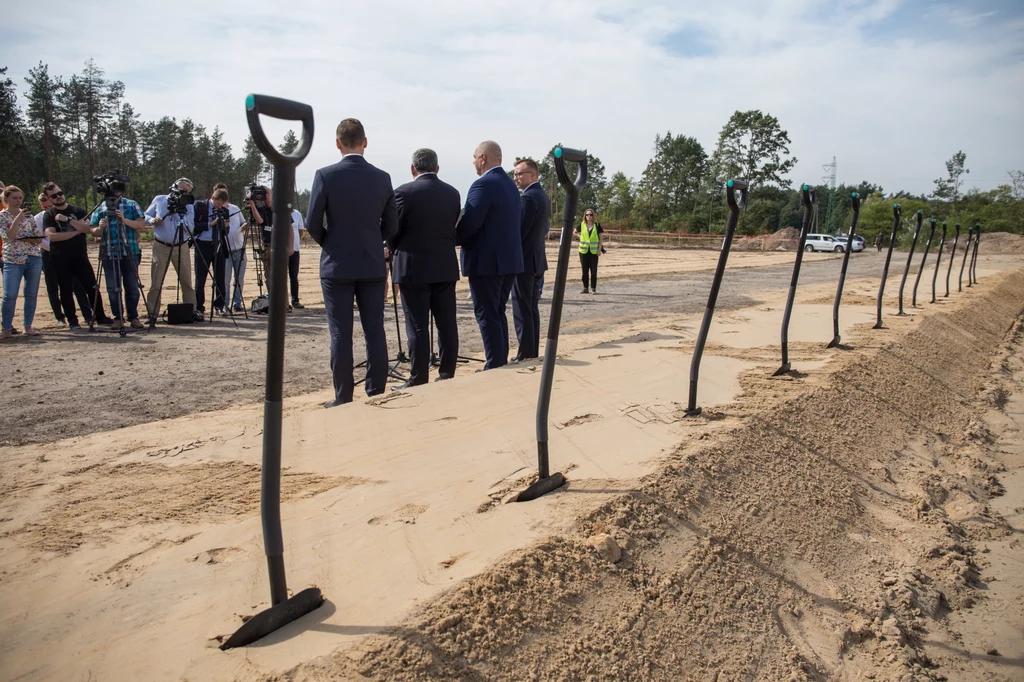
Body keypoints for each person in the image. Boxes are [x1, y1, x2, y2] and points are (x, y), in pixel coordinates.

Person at [306, 118, 398, 407]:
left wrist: (330, 243)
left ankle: (343, 396)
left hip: (337, 266)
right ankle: (376, 391)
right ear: (365, 142)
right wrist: (373, 241)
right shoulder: (382, 178)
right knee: (375, 330)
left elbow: (311, 222)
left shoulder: (325, 175)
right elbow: (392, 225)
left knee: (340, 333)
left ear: (337, 143)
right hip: (371, 264)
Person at [389, 148, 461, 389]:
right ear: (437, 168)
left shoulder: (403, 192)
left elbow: (393, 231)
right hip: (444, 265)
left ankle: (419, 376)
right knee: (447, 323)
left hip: (413, 267)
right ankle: (447, 372)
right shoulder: (452, 193)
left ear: (412, 169)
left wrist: (394, 248)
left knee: (418, 325)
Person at [455, 141, 523, 369]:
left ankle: (494, 364)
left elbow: (471, 223)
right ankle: (499, 360)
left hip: (486, 262)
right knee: (497, 312)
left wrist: (451, 239)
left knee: (487, 314)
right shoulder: (510, 185)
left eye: (474, 157)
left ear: (483, 158)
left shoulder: (482, 185)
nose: (473, 162)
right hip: (509, 260)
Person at [42, 183, 112, 330]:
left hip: (80, 256)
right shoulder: (49, 215)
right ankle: (73, 320)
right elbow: (52, 236)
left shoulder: (77, 210)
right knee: (66, 289)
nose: (59, 197)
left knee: (92, 287)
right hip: (59, 258)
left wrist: (67, 220)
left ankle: (100, 317)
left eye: (60, 193)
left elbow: (88, 229)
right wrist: (75, 232)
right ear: (49, 198)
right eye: (54, 195)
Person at [89, 185, 147, 329]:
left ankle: (133, 317)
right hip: (109, 253)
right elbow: (93, 231)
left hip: (130, 252)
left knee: (132, 286)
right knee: (113, 287)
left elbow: (141, 225)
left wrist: (124, 220)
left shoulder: (131, 204)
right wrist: (100, 228)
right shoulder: (100, 207)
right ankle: (118, 317)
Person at [510, 158, 550, 362]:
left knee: (522, 309)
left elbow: (519, 232)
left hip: (524, 261)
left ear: (533, 175)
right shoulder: (542, 196)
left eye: (519, 174)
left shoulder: (528, 198)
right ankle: (531, 351)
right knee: (531, 309)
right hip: (536, 260)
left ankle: (526, 353)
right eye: (515, 174)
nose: (515, 177)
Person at [144, 178, 199, 322]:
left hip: (181, 245)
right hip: (161, 245)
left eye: (186, 192)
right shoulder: (160, 200)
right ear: (173, 188)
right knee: (156, 282)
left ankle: (191, 311)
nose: (183, 194)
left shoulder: (189, 205)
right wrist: (152, 220)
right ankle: (152, 314)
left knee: (186, 281)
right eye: (181, 190)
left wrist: (179, 214)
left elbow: (190, 228)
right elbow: (145, 215)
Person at [1, 186, 45, 340]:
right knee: (10, 294)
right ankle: (6, 328)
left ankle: (28, 326)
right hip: (13, 258)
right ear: (6, 199)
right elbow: (9, 236)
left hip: (33, 257)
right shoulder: (3, 216)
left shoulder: (30, 217)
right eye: (15, 198)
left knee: (31, 294)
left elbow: (38, 238)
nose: (18, 201)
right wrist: (18, 218)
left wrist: (30, 238)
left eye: (20, 198)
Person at [192, 187, 233, 316]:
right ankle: (199, 307)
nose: (219, 207)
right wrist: (210, 223)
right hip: (202, 245)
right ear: (213, 198)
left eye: (222, 205)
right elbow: (193, 225)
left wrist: (225, 226)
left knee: (220, 277)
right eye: (218, 204)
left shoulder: (224, 210)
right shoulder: (200, 206)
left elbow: (225, 231)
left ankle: (220, 305)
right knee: (201, 277)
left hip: (218, 244)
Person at [219, 184, 247, 313]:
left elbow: (242, 222)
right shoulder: (215, 210)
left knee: (239, 279)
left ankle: (237, 303)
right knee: (225, 280)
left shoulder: (235, 208)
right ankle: (224, 305)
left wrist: (244, 226)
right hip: (225, 251)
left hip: (239, 248)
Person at [574, 209, 606, 294]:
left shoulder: (597, 225)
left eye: (591, 215)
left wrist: (599, 249)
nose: (589, 216)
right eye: (587, 215)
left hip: (593, 251)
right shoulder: (582, 224)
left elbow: (601, 237)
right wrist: (579, 235)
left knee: (593, 271)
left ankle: (593, 288)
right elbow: (574, 232)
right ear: (585, 216)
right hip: (583, 251)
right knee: (584, 271)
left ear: (593, 216)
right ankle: (585, 288)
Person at [289, 202, 305, 309]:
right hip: (280, 251)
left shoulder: (297, 214)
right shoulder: (276, 213)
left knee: (294, 276)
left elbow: (300, 231)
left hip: (295, 250)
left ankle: (295, 300)